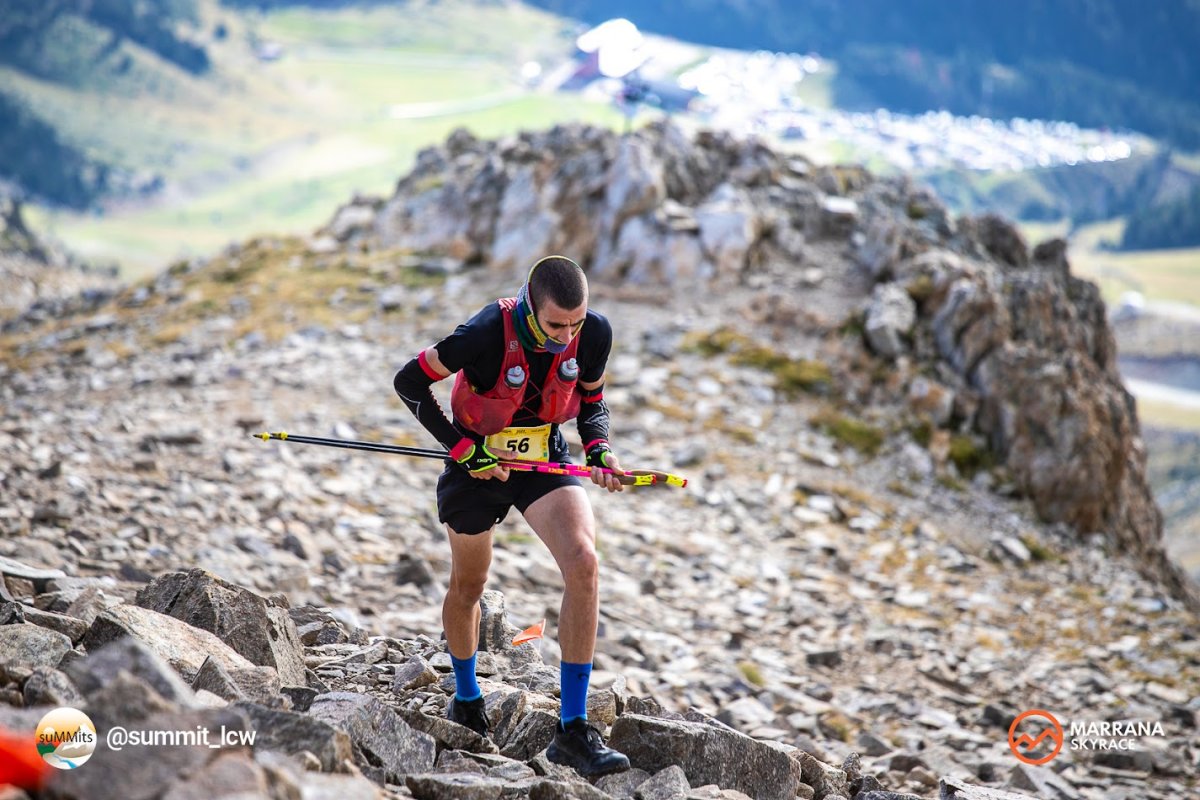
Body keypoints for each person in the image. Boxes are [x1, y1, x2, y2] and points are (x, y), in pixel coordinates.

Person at [393, 255, 631, 777]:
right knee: (469, 586)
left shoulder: (594, 333)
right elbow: (410, 381)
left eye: (576, 323)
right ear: (529, 305)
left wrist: (599, 449)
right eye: (555, 325)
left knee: (584, 563)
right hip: (476, 465)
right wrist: (460, 448)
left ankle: (572, 729)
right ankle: (467, 695)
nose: (568, 336)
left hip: (542, 460)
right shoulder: (483, 331)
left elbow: (592, 402)